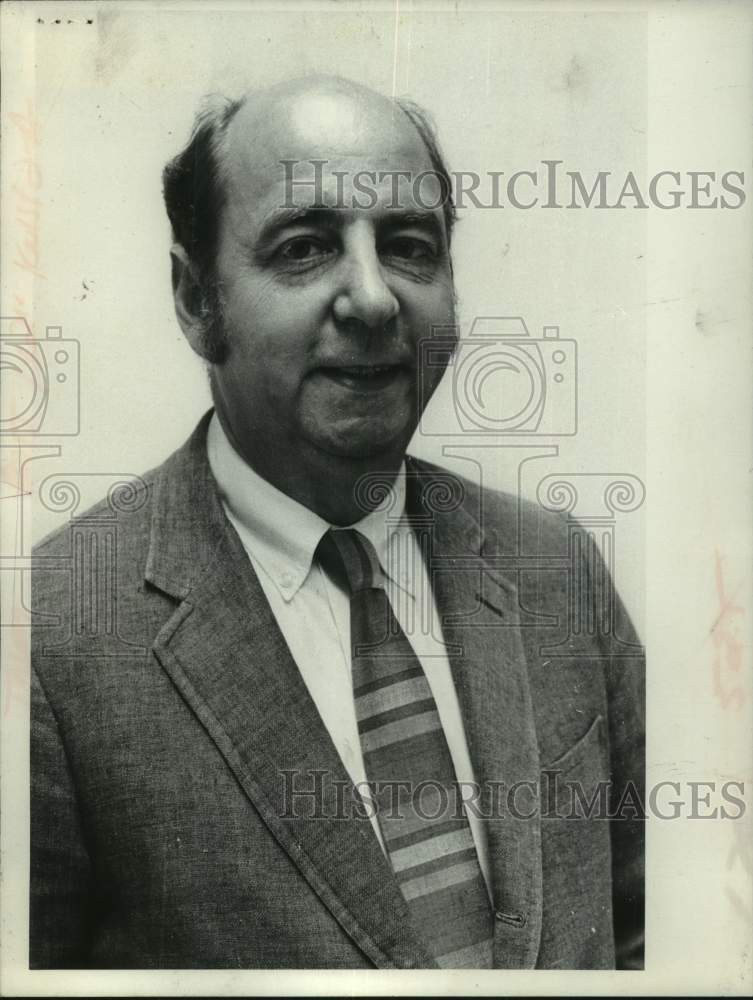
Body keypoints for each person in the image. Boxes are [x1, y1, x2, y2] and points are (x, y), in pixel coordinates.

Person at [30, 75, 644, 970]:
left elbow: (651, 937)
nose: (374, 298)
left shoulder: (555, 564)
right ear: (196, 300)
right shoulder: (51, 637)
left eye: (408, 246)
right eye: (306, 247)